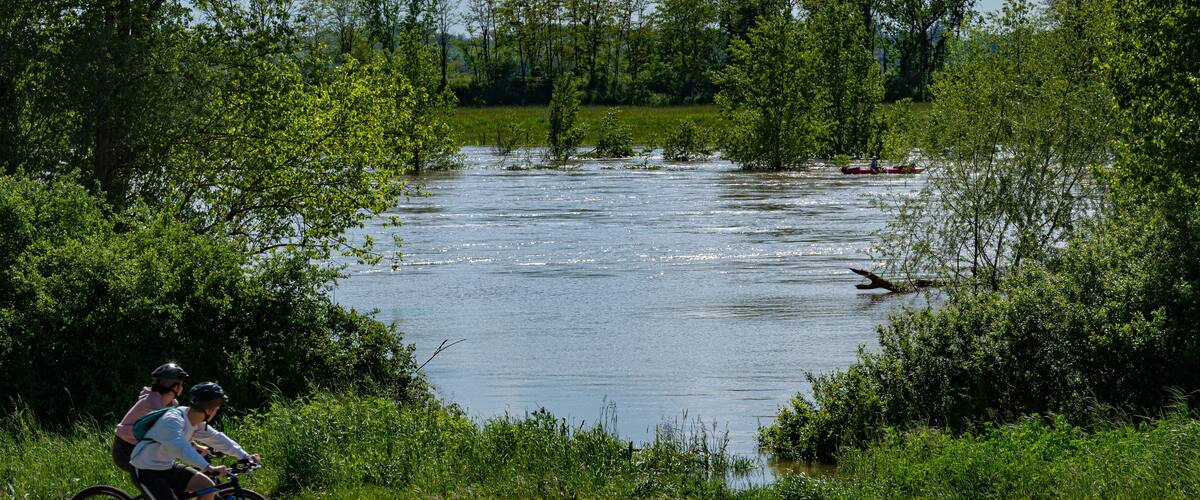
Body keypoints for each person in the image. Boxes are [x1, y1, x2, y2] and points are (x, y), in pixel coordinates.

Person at [130, 382, 260, 500]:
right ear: (210, 410)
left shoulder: (195, 422)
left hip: (167, 467)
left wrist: (245, 456)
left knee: (208, 486)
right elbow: (180, 447)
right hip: (146, 470)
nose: (216, 412)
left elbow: (217, 438)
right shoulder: (172, 420)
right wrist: (208, 467)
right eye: (217, 409)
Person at [112, 363, 189, 474]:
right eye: (181, 384)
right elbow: (168, 432)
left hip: (140, 447)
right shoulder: (151, 403)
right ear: (176, 387)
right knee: (157, 476)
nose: (182, 387)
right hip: (125, 449)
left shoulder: (171, 403)